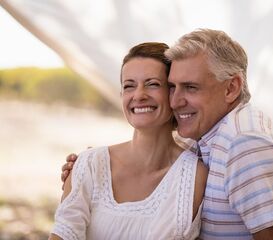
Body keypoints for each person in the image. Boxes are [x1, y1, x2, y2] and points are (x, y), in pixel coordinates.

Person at [62, 29, 273, 240]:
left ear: (231, 87)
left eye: (190, 87)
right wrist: (89, 168)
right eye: (172, 87)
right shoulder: (209, 135)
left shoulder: (245, 145)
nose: (176, 101)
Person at [50, 42, 208, 240]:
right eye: (129, 86)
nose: (139, 95)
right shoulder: (89, 164)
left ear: (173, 93)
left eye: (152, 84)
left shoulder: (194, 175)